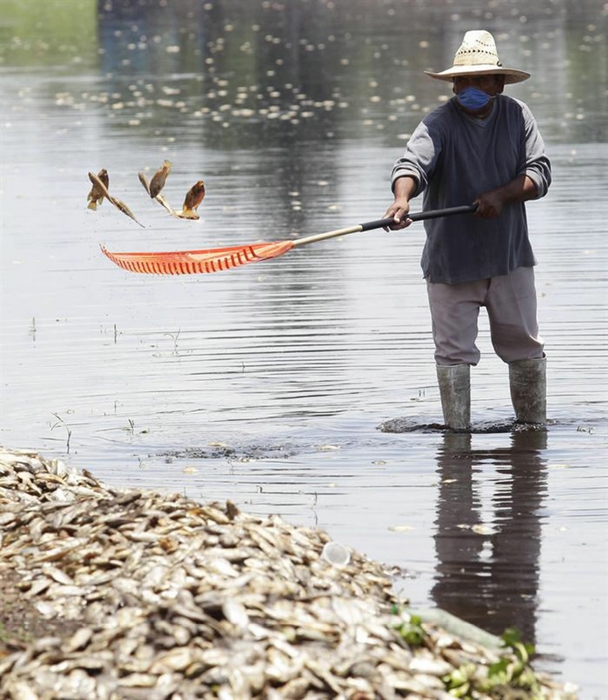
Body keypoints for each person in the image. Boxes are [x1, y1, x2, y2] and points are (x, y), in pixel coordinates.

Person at [384, 29, 551, 431]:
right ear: (453, 84)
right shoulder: (437, 123)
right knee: (453, 356)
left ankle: (532, 435)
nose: (470, 88)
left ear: (498, 83)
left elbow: (539, 174)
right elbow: (412, 166)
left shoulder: (516, 116)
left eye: (480, 80)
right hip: (451, 262)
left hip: (508, 258)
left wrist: (502, 196)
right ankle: (457, 441)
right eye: (463, 81)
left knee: (524, 349)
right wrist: (402, 199)